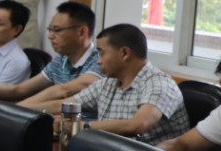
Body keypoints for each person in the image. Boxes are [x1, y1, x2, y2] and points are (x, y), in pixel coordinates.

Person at [34, 23, 188, 144]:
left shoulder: (159, 84)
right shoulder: (108, 83)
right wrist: (21, 111)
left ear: (124, 53)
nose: (98, 61)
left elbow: (138, 125)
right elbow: (65, 105)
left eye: (101, 53)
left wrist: (78, 127)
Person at [0, 1, 101, 104]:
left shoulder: (100, 61)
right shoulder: (60, 60)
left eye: (57, 30)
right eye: (50, 30)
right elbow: (20, 90)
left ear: (82, 32)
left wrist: (20, 107)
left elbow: (63, 90)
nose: (50, 36)